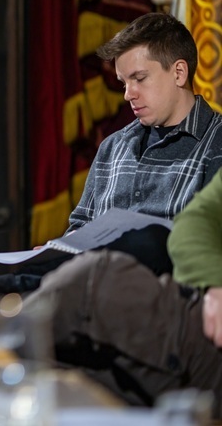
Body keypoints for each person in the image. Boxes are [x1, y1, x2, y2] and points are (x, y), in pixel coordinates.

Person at [0, 12, 222, 295]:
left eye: (139, 78)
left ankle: (14, 288)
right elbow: (81, 225)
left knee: (154, 239)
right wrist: (62, 246)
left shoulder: (215, 142)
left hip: (167, 294)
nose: (128, 94)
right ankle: (8, 289)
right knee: (42, 270)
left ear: (179, 73)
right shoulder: (114, 146)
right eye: (124, 83)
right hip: (93, 290)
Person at [26, 165, 222, 418]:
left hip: (179, 312)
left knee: (91, 280)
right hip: (189, 310)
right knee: (77, 366)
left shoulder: (211, 146)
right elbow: (194, 222)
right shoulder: (113, 147)